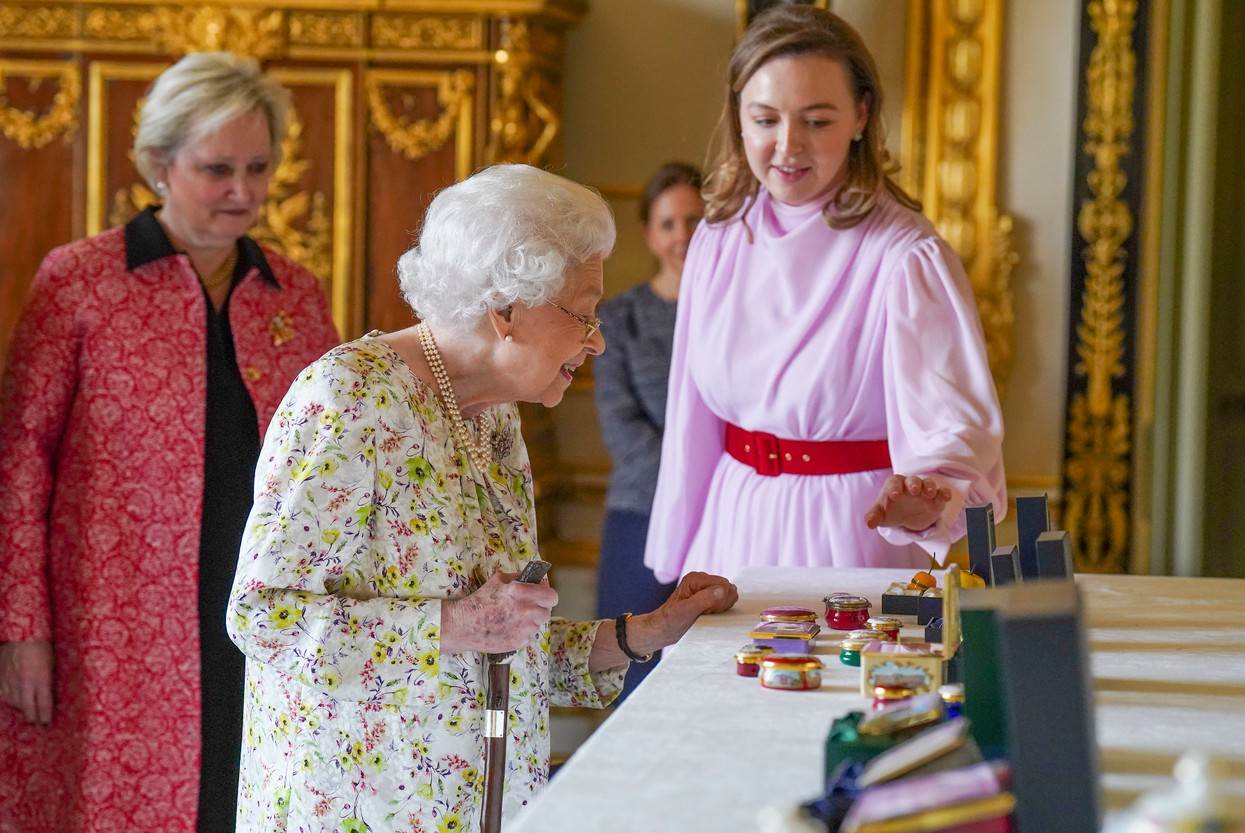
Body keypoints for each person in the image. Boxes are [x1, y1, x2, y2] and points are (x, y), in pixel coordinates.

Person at [225, 164, 738, 833]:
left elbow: (499, 639)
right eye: (582, 313)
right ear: (505, 308)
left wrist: (640, 635)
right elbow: (262, 617)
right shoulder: (349, 399)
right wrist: (455, 623)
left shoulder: (493, 416)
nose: (598, 338)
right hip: (358, 809)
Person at [0, 52, 341, 833]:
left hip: (255, 614)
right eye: (217, 168)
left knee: (241, 796)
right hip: (111, 624)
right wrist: (20, 629)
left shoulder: (297, 292)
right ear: (159, 164)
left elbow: (327, 465)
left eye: (259, 167)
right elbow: (21, 462)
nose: (244, 191)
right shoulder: (81, 281)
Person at [644, 5, 1007, 584]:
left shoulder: (906, 257)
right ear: (738, 115)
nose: (787, 147)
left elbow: (953, 429)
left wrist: (927, 501)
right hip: (731, 522)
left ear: (861, 114)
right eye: (765, 120)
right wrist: (680, 551)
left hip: (849, 532)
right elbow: (692, 419)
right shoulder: (717, 238)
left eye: (816, 121)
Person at [594, 162, 703, 699]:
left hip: (720, 517)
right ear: (649, 233)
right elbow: (620, 426)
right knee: (631, 677)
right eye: (668, 223)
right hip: (642, 512)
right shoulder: (619, 318)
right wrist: (698, 473)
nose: (682, 234)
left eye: (694, 219)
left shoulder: (738, 314)